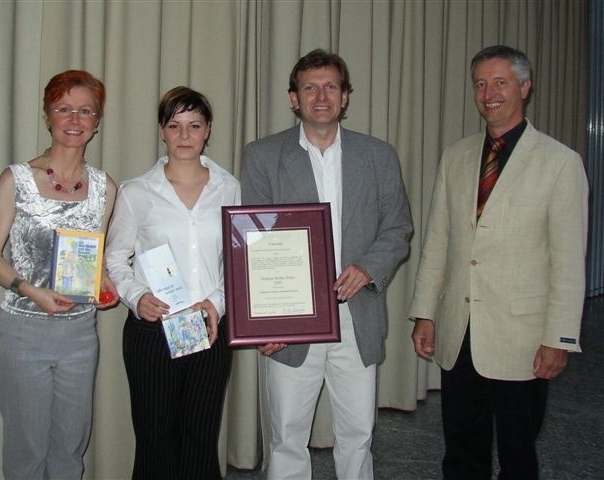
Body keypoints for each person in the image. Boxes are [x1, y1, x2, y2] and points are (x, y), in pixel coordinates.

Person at [409, 45, 589, 479]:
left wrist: (558, 339)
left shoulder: (560, 163)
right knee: (461, 452)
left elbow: (568, 262)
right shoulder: (456, 156)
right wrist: (424, 313)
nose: (488, 93)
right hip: (460, 332)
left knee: (517, 455)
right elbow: (439, 240)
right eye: (480, 83)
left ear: (525, 88)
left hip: (522, 339)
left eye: (500, 82)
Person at [241, 49, 413, 479]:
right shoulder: (263, 155)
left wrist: (369, 267)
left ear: (346, 96)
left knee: (358, 435)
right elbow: (254, 244)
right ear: (293, 98)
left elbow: (398, 228)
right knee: (287, 438)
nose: (321, 96)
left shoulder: (378, 155)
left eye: (331, 86)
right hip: (292, 321)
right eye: (310, 87)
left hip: (358, 315)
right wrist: (268, 321)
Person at [0, 69, 119, 479]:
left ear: (97, 122)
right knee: (26, 451)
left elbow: (96, 260)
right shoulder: (16, 179)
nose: (75, 121)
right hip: (24, 330)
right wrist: (28, 289)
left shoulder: (105, 188)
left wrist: (104, 283)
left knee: (69, 450)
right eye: (64, 109)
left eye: (85, 111)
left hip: (79, 333)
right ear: (47, 116)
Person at [105, 86, 239, 479]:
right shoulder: (136, 192)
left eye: (194, 125)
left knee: (200, 440)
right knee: (154, 442)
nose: (184, 135)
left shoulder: (230, 188)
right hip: (153, 331)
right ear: (162, 130)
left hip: (209, 327)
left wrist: (218, 303)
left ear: (208, 130)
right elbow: (115, 257)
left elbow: (238, 260)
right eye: (175, 125)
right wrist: (136, 296)